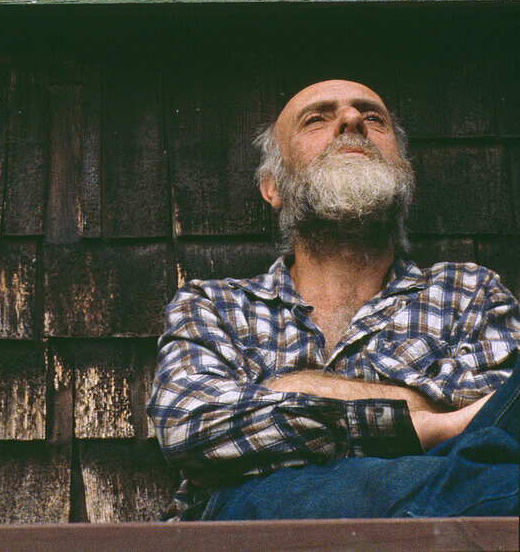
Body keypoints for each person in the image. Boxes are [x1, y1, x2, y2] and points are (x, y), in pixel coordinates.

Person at [148, 79, 520, 521]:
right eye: (317, 119)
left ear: (404, 176)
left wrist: (287, 389)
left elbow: (496, 423)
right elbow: (188, 426)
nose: (350, 121)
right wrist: (441, 423)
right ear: (273, 188)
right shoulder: (215, 305)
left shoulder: (469, 292)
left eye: (373, 117)